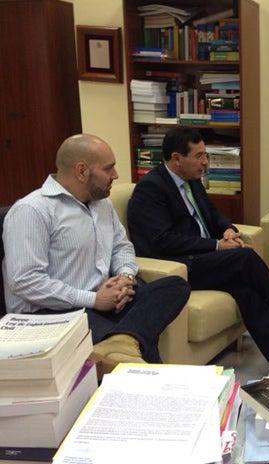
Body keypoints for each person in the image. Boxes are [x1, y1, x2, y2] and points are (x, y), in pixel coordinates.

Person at [2, 134, 190, 374]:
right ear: (81, 171)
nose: (116, 175)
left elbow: (122, 247)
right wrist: (93, 300)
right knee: (141, 342)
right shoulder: (32, 211)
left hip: (106, 301)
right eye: (108, 168)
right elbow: (25, 281)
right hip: (55, 312)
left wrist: (125, 278)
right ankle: (133, 353)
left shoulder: (102, 205)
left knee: (175, 286)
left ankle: (122, 341)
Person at [127, 127, 269, 367]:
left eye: (205, 155)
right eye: (199, 156)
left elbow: (213, 213)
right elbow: (163, 241)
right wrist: (216, 245)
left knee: (246, 292)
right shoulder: (151, 188)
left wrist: (227, 229)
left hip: (203, 259)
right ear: (176, 158)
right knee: (244, 258)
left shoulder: (191, 179)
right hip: (179, 266)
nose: (205, 162)